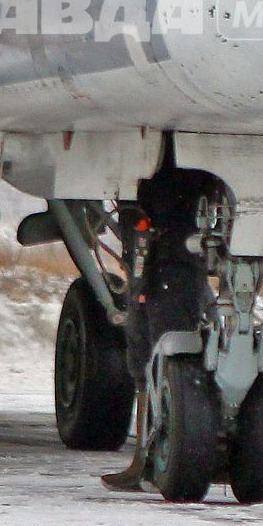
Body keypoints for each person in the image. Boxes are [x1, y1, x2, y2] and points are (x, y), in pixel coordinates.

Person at [100, 169, 209, 493]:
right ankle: (145, 456)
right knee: (143, 354)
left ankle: (163, 451)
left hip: (173, 270)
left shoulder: (190, 175)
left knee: (168, 355)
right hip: (149, 267)